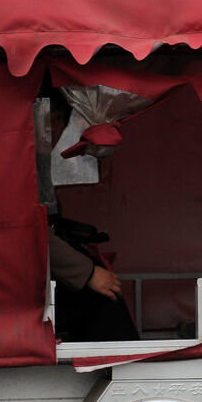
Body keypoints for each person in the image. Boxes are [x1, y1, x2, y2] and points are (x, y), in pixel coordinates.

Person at [45, 91, 138, 342]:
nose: (55, 127)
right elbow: (32, 233)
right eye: (49, 117)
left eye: (60, 118)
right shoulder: (16, 166)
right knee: (103, 298)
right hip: (19, 288)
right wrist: (88, 274)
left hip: (46, 276)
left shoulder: (36, 166)